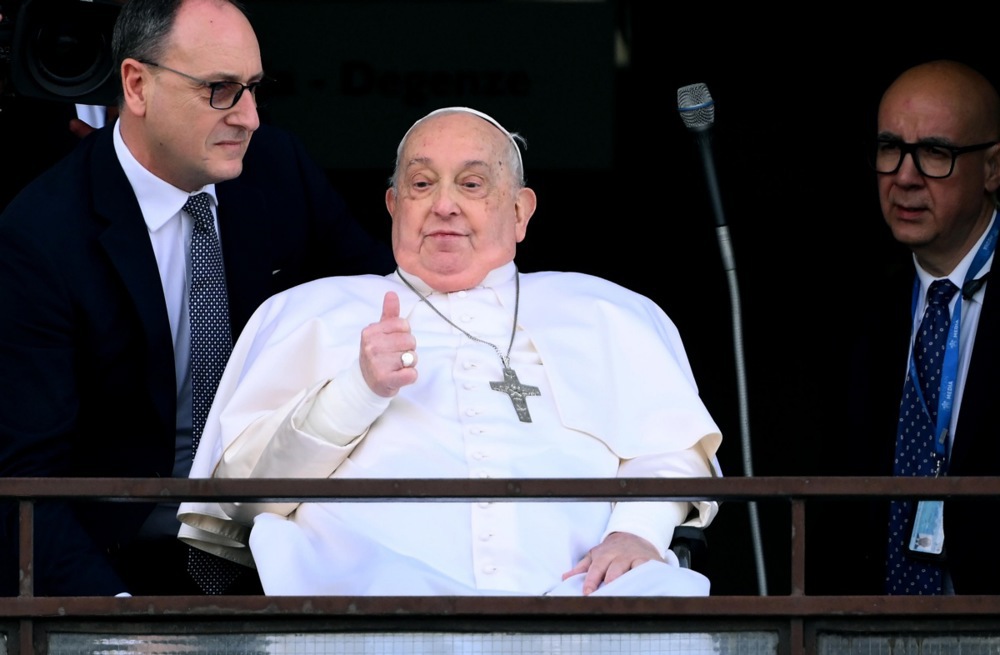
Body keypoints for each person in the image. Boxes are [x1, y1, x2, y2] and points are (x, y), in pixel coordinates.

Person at [177, 106, 723, 597]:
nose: (444, 205)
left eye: (472, 184)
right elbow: (242, 499)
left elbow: (673, 448)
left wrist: (638, 532)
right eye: (421, 184)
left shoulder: (605, 311)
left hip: (586, 602)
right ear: (393, 205)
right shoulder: (309, 312)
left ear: (520, 210)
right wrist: (355, 391)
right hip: (374, 609)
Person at [0, 0, 394, 597]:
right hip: (117, 553)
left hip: (279, 532)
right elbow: (24, 481)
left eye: (255, 89)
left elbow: (389, 302)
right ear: (136, 85)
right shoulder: (41, 237)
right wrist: (113, 623)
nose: (250, 117)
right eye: (220, 90)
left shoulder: (279, 170)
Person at [809, 59, 1000, 596]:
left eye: (936, 152)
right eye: (890, 148)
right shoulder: (857, 313)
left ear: (992, 168)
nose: (905, 175)